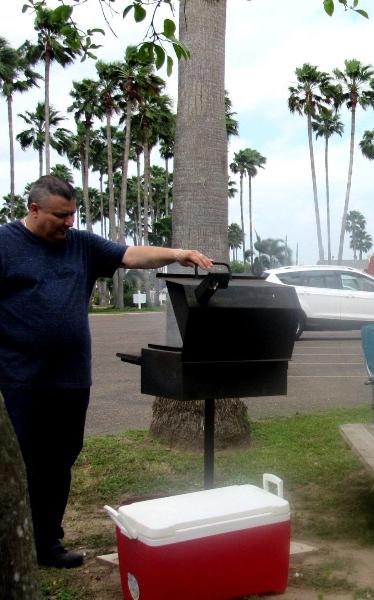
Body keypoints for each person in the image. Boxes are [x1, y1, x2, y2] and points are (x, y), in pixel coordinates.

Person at [0, 175, 213, 569]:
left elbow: (131, 255)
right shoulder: (5, 244)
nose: (69, 223)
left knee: (59, 461)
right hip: (19, 378)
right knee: (22, 462)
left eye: (72, 215)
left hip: (70, 378)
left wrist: (177, 253)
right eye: (60, 216)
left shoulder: (80, 244)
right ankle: (14, 544)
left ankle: (46, 543)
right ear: (34, 209)